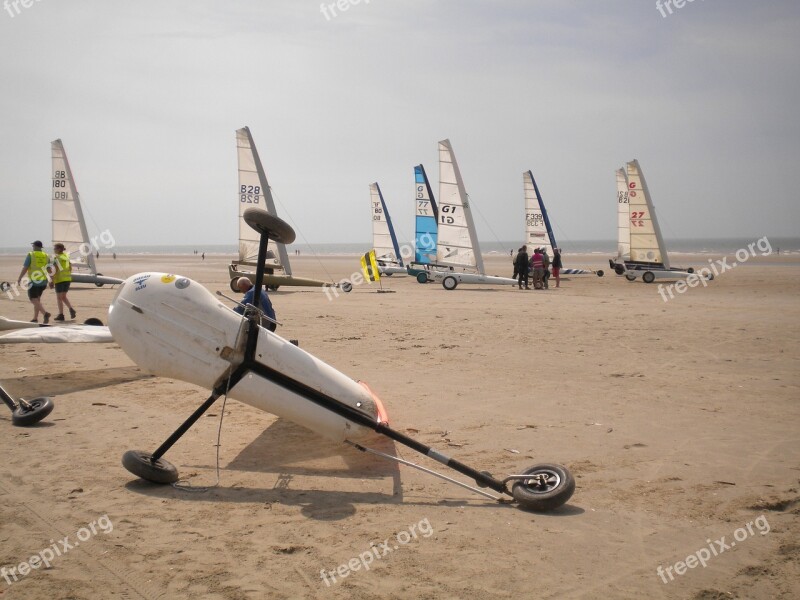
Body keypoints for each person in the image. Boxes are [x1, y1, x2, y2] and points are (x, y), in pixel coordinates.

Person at [17, 240, 51, 323]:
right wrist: (50, 280)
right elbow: (49, 270)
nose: (32, 247)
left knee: (33, 299)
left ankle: (45, 313)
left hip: (34, 281)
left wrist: (20, 278)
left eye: (33, 246)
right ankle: (35, 318)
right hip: (43, 281)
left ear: (35, 246)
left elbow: (25, 267)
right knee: (37, 300)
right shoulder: (46, 256)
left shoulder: (31, 255)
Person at [49, 243, 77, 321]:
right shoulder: (66, 256)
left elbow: (55, 269)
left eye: (55, 249)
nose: (54, 250)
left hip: (60, 280)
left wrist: (52, 280)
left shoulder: (57, 257)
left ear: (59, 249)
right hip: (67, 279)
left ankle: (61, 314)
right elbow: (70, 268)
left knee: (59, 298)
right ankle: (71, 309)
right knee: (63, 297)